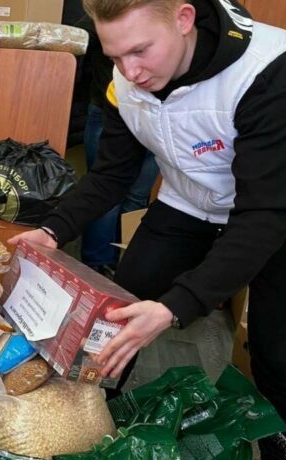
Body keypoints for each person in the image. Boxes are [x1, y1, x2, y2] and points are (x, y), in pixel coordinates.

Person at [8, 0, 286, 460]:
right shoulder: (125, 77)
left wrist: (174, 307)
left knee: (278, 352)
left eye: (141, 51)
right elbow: (112, 174)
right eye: (116, 56)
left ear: (184, 19)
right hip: (192, 199)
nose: (130, 72)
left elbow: (264, 214)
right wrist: (53, 230)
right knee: (115, 315)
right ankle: (91, 428)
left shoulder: (272, 69)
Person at [76, 13, 160, 275]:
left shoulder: (159, 18)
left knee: (133, 194)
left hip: (154, 114)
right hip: (110, 109)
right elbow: (77, 45)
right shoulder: (104, 17)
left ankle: (116, 262)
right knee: (108, 191)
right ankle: (100, 265)